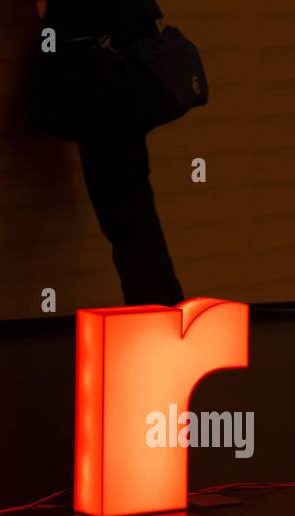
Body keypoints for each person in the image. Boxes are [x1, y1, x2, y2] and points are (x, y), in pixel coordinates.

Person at [35, 0, 184, 307]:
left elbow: (65, 35)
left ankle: (153, 314)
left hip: (106, 109)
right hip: (119, 107)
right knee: (137, 219)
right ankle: (163, 311)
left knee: (129, 224)